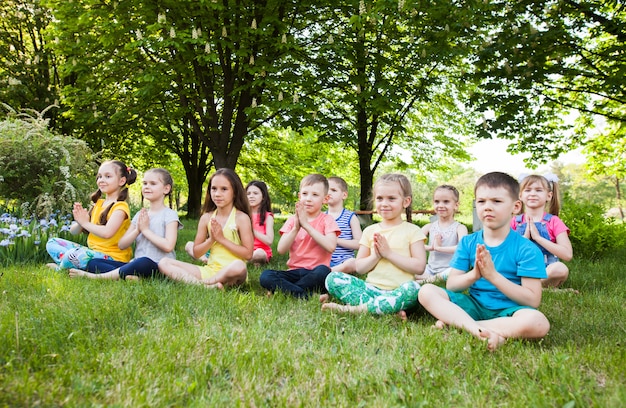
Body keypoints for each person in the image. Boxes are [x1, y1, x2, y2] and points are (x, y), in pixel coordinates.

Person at [418, 172, 550, 352]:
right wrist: (475, 274)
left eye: (496, 201)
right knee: (426, 291)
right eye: (481, 201)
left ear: (516, 206)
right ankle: (477, 330)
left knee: (538, 322)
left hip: (510, 312)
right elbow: (452, 285)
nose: (487, 207)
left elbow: (532, 300)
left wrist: (493, 276)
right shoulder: (468, 242)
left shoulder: (527, 249)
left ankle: (458, 325)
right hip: (474, 305)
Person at [321, 173, 426, 315]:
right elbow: (360, 268)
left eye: (392, 198)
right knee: (332, 278)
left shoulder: (413, 231)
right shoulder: (370, 231)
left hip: (399, 290)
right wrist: (376, 256)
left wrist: (389, 254)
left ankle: (353, 309)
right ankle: (386, 308)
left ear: (406, 202)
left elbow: (419, 267)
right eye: (380, 198)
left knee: (414, 289)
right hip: (371, 290)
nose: (384, 203)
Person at [69, 168, 182, 280]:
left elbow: (168, 246)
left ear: (166, 189)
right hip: (136, 264)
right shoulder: (140, 215)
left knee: (143, 262)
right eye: (145, 183)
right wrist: (137, 230)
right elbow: (122, 244)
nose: (147, 187)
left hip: (159, 267)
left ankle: (98, 277)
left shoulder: (169, 215)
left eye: (153, 184)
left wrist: (145, 230)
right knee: (94, 263)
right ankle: (131, 277)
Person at [158, 168, 254, 288]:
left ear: (234, 192)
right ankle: (205, 286)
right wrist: (211, 240)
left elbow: (248, 254)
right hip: (209, 270)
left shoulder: (241, 218)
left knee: (239, 265)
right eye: (214, 189)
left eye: (224, 189)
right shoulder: (206, 218)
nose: (217, 194)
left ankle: (204, 283)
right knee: (164, 262)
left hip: (233, 273)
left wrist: (221, 239)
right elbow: (197, 253)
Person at [46, 160, 137, 271]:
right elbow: (73, 232)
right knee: (52, 242)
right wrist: (80, 221)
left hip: (111, 258)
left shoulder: (120, 208)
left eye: (108, 176)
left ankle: (60, 269)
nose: (101, 180)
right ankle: (71, 263)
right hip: (92, 253)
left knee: (74, 254)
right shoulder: (98, 204)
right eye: (99, 176)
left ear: (121, 181)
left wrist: (85, 223)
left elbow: (107, 233)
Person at [259, 174, 340, 298]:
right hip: (293, 272)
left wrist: (307, 226)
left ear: (325, 199)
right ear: (299, 196)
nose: (308, 199)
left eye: (315, 195)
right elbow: (281, 249)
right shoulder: (292, 220)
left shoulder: (327, 220)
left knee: (323, 271)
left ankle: (285, 291)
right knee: (266, 276)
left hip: (315, 273)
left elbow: (331, 246)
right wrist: (296, 228)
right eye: (305, 194)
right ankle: (305, 294)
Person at [512, 173, 572, 288]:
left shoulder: (554, 222)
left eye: (539, 190)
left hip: (546, 272)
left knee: (560, 269)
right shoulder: (514, 222)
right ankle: (540, 288)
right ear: (520, 195)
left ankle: (527, 287)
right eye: (528, 190)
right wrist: (524, 239)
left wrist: (537, 238)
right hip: (520, 271)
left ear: (549, 196)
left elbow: (567, 254)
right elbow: (506, 252)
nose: (533, 193)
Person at [419, 185, 468, 283]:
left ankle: (425, 281)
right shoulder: (429, 227)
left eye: (446, 202)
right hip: (430, 269)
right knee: (412, 268)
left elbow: (462, 248)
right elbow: (414, 244)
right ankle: (432, 279)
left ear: (456, 205)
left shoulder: (460, 228)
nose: (440, 205)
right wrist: (431, 247)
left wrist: (440, 248)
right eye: (437, 202)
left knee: (457, 272)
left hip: (449, 270)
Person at [326, 176, 362, 273]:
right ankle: (325, 272)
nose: (328, 193)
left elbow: (359, 243)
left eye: (333, 190)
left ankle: (327, 273)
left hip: (344, 262)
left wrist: (336, 240)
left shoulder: (350, 217)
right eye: (326, 190)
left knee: (353, 263)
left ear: (344, 195)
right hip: (324, 260)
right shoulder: (321, 217)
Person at [246, 180, 275, 265]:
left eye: (255, 193)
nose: (251, 196)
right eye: (248, 194)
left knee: (259, 254)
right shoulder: (242, 215)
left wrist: (252, 231)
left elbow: (269, 241)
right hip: (245, 250)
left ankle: (252, 260)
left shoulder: (268, 216)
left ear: (263, 196)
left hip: (261, 251)